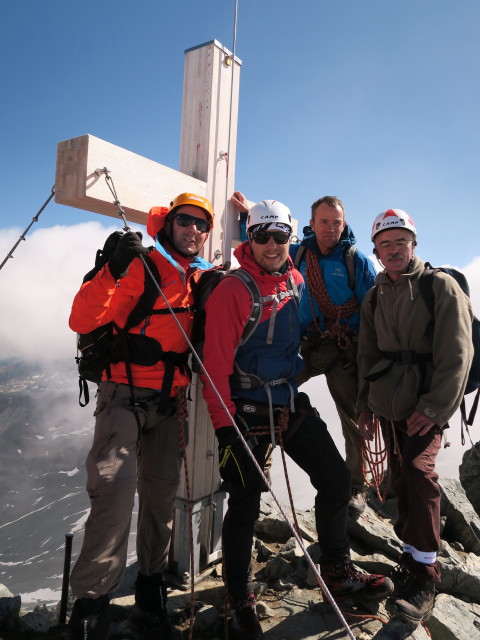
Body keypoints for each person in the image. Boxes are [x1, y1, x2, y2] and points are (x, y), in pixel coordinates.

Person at [201, 200, 393, 640]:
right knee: (246, 503)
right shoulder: (234, 290)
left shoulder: (295, 278)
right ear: (249, 239)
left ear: (292, 238)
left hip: (287, 400)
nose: (272, 244)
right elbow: (213, 366)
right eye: (262, 236)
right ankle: (239, 595)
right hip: (245, 409)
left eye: (280, 236)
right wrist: (225, 431)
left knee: (336, 480)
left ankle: (337, 572)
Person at [68, 193, 214, 639]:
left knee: (160, 498)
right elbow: (81, 318)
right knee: (113, 497)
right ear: (167, 224)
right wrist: (112, 269)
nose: (194, 230)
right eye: (185, 221)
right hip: (124, 395)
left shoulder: (202, 278)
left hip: (171, 405)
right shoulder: (141, 265)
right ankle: (92, 605)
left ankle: (150, 591)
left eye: (202, 224)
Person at [357, 209, 473, 625]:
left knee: (419, 472)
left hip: (426, 403)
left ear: (413, 244)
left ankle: (427, 574)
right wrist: (364, 407)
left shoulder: (438, 286)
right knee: (402, 476)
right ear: (376, 250)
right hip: (387, 403)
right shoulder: (375, 295)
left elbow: (458, 353)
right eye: (385, 244)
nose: (393, 249)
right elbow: (366, 354)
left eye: (400, 242)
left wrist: (432, 408)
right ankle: (412, 555)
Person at [231, 192, 377, 517]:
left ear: (343, 224)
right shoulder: (296, 253)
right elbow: (265, 245)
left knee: (353, 420)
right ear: (311, 224)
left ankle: (356, 488)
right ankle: (260, 471)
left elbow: (374, 308)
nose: (330, 228)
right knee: (268, 397)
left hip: (343, 349)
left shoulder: (355, 260)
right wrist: (248, 216)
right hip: (304, 345)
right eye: (323, 222)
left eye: (336, 222)